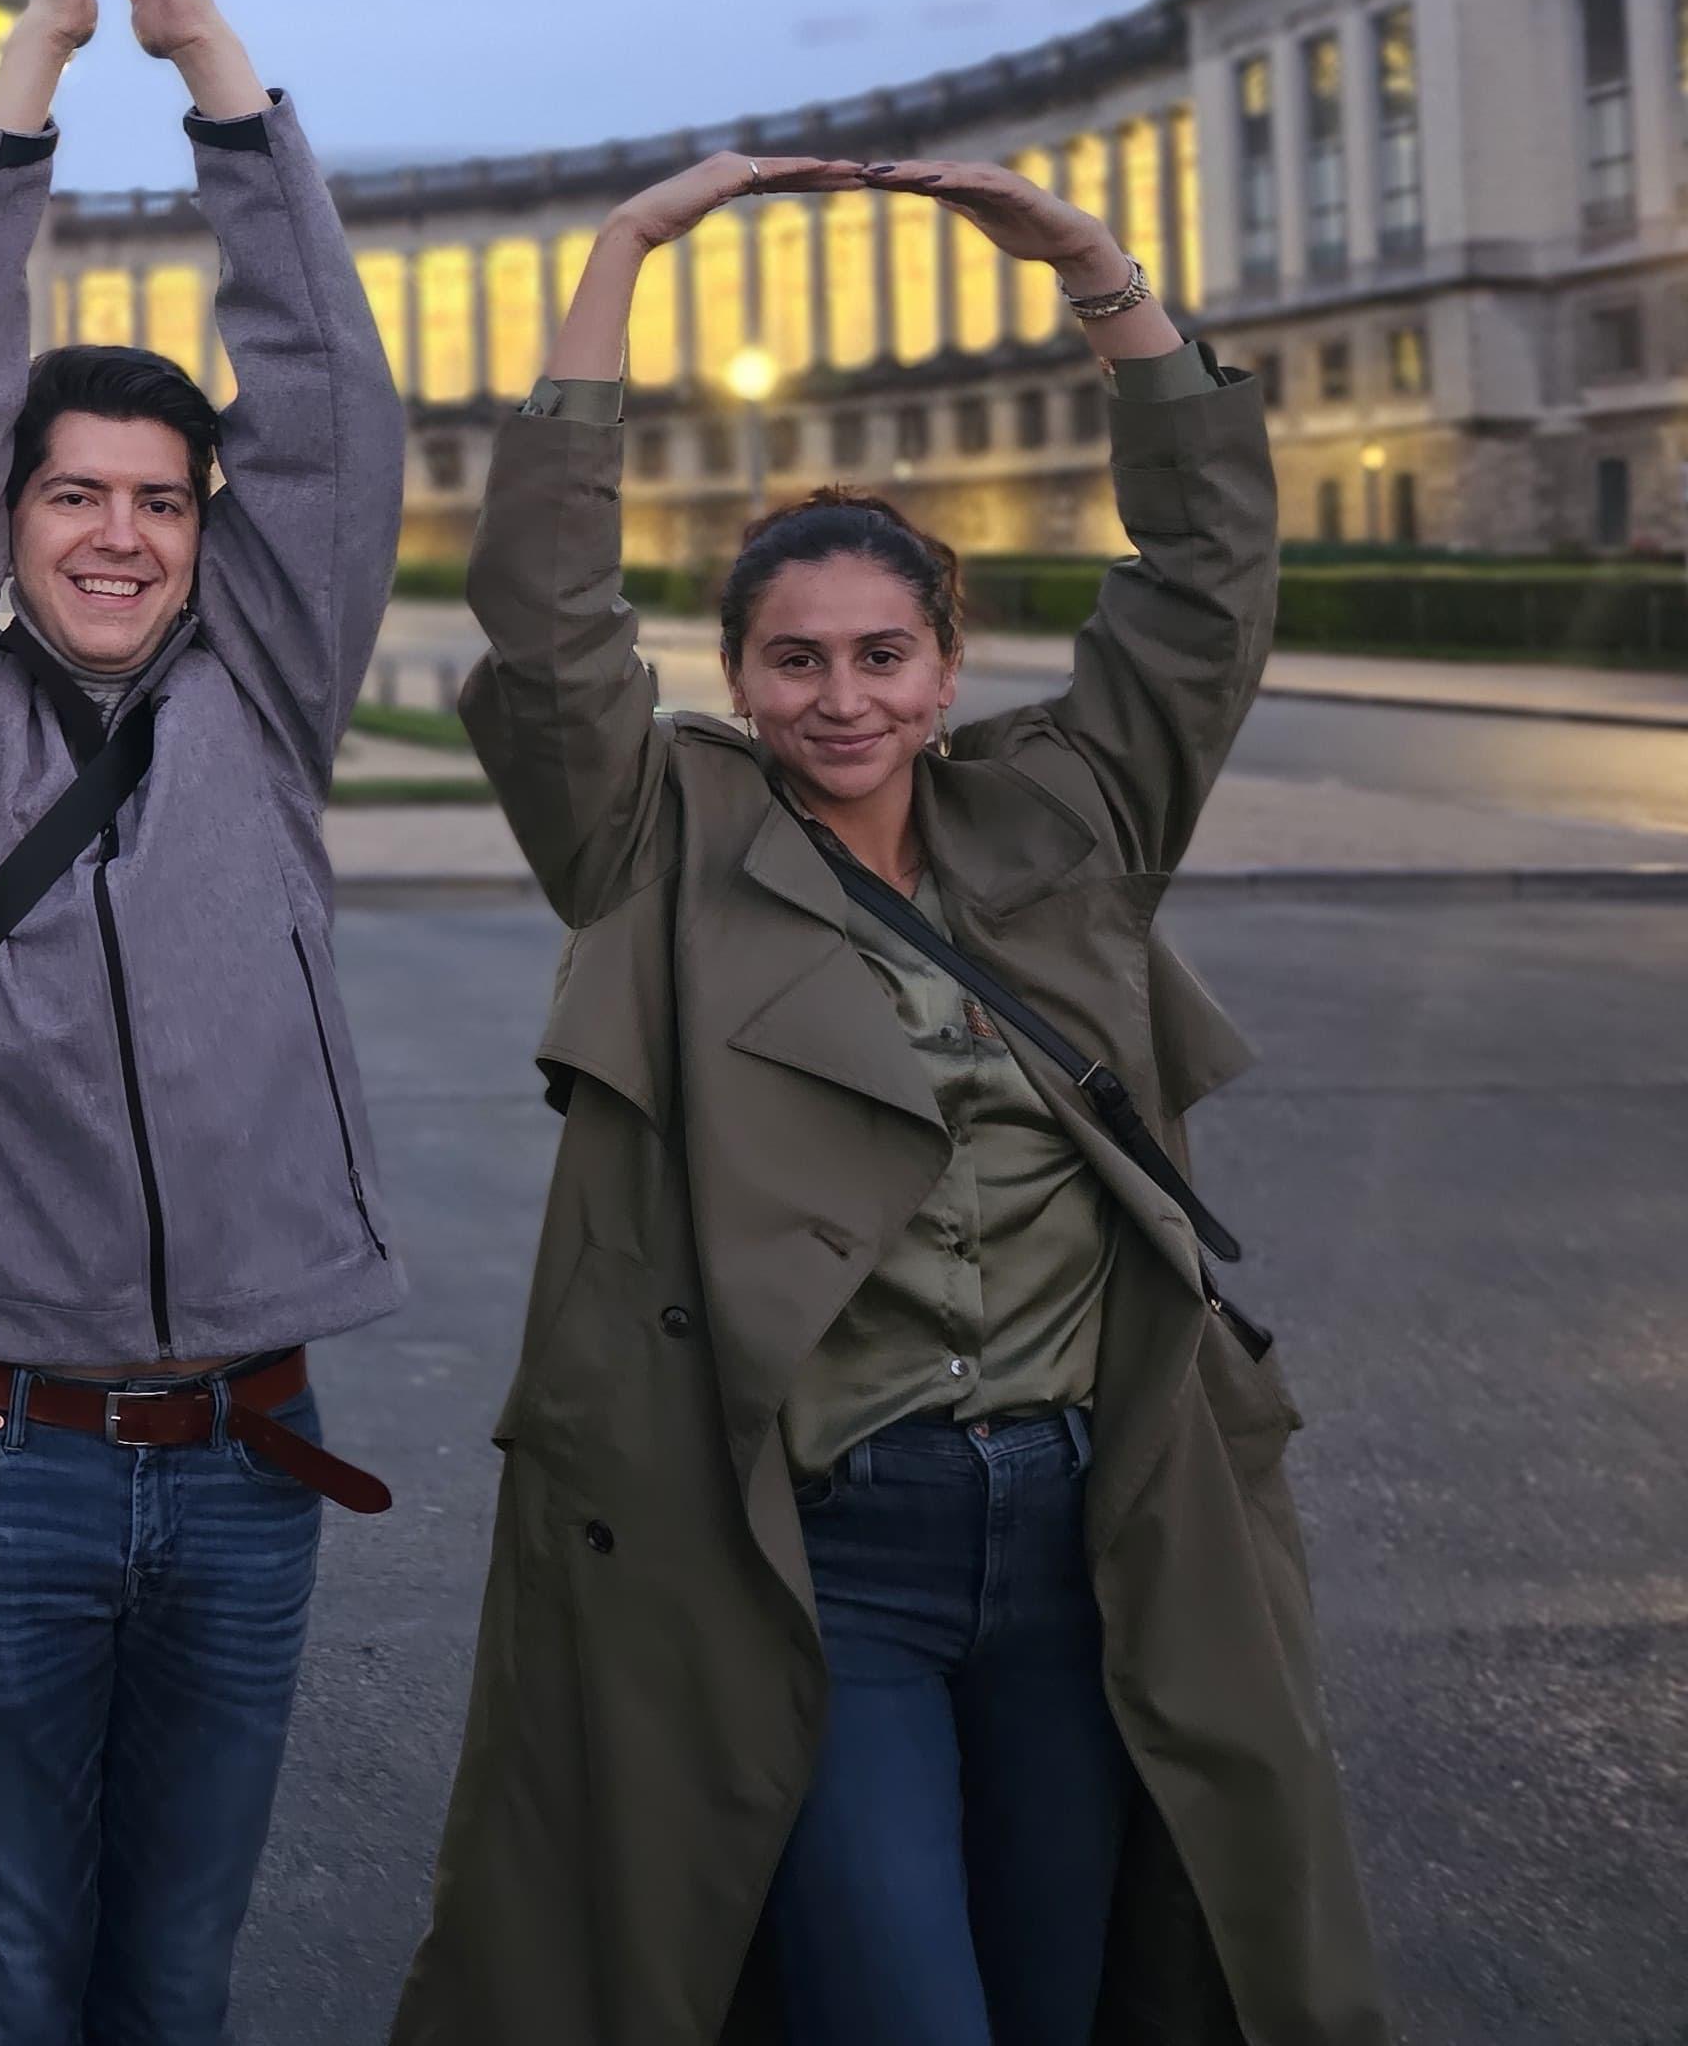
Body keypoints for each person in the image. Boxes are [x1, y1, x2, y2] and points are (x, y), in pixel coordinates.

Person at [391, 148, 1391, 2045]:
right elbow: (544, 615)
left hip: (1096, 1530)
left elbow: (1206, 590)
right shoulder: (655, 842)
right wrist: (617, 261)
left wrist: (1099, 275)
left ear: (946, 667)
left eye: (881, 656)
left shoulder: (1071, 812)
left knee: (1066, 1992)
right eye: (794, 662)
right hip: (828, 1553)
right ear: (739, 676)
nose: (839, 701)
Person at [0, 0, 408, 2044]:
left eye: (160, 502)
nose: (117, 532)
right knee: (9, 1963)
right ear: (7, 517)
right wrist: (32, 77)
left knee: (176, 1978)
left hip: (250, 1448)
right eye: (71, 492)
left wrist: (221, 88)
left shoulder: (262, 691)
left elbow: (333, 421)